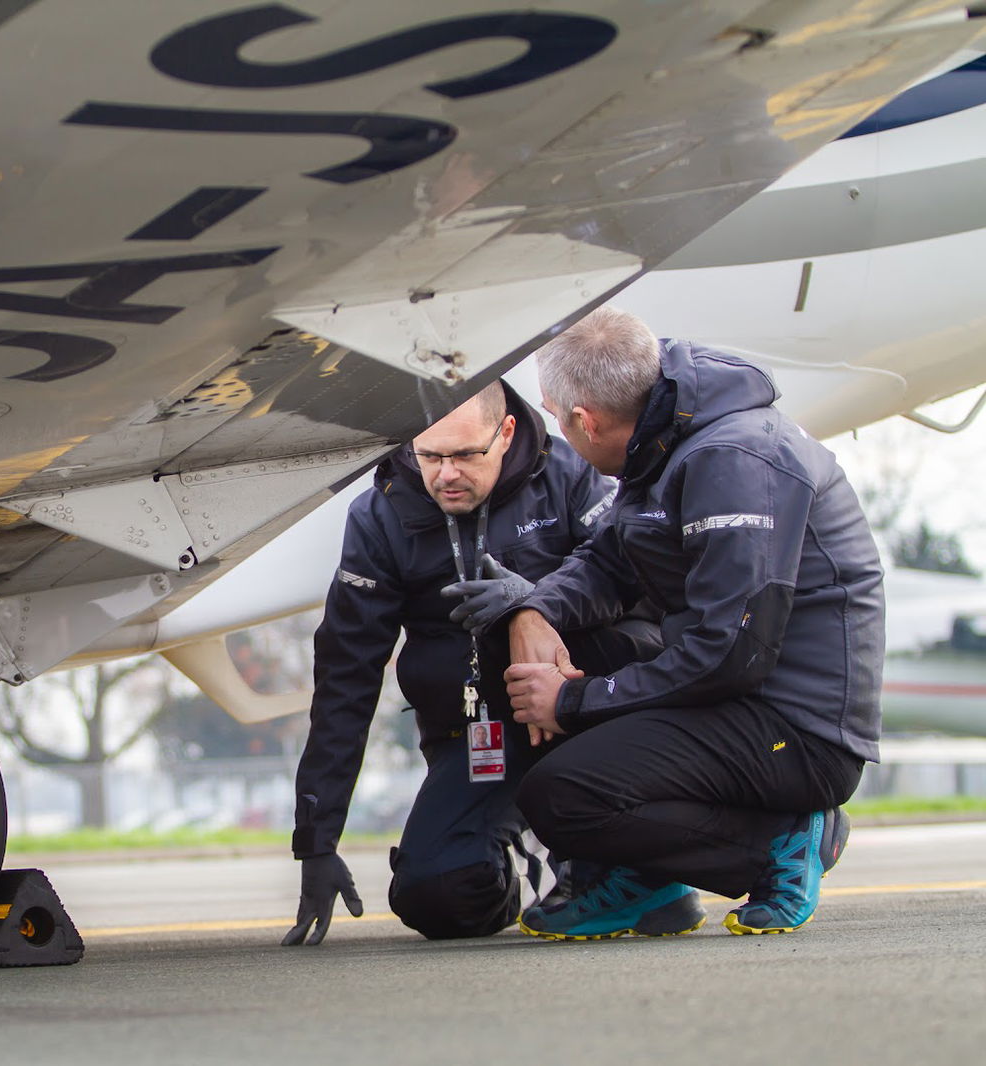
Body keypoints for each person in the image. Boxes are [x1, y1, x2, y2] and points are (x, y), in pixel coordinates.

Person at [502, 305, 883, 939]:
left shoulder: (736, 460)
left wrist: (573, 700)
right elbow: (609, 562)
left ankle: (784, 840)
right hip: (731, 699)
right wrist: (534, 611)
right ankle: (648, 884)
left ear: (583, 420)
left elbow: (733, 651)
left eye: (556, 419)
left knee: (561, 795)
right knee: (533, 665)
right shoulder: (664, 437)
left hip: (795, 728)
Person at [282, 378, 656, 946]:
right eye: (429, 456)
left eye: (464, 455)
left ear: (505, 433)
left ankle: (621, 857)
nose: (446, 475)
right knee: (435, 897)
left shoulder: (570, 476)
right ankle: (522, 864)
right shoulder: (379, 515)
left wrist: (534, 603)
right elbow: (344, 679)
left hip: (585, 712)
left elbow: (639, 587)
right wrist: (317, 841)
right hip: (479, 733)